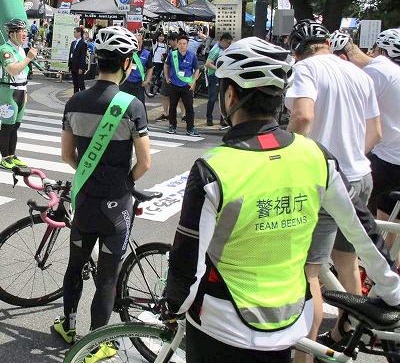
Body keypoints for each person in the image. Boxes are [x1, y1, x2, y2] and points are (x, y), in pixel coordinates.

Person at [164, 37, 400, 363]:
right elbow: (362, 229)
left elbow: (187, 262)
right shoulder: (317, 157)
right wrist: (391, 291)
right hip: (290, 321)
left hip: (222, 323)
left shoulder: (213, 168)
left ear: (230, 96)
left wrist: (174, 306)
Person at [285, 20, 381, 358]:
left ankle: (304, 355)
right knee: (346, 261)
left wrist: (287, 154)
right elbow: (376, 132)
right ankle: (348, 331)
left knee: (310, 273)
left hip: (323, 182)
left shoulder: (306, 69)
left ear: (298, 50)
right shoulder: (358, 72)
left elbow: (303, 116)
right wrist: (349, 157)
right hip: (360, 176)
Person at [54, 26, 152, 360]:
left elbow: (67, 155)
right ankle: (97, 344)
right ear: (126, 63)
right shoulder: (132, 105)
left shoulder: (74, 101)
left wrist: (89, 172)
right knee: (107, 278)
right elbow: (145, 163)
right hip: (116, 207)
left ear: (97, 61)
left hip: (85, 202)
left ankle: (68, 326)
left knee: (75, 266)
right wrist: (124, 183)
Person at [329, 30, 400, 225]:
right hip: (393, 156)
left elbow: (366, 128)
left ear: (342, 58)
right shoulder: (390, 70)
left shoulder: (374, 73)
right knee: (389, 226)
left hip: (388, 160)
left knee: (362, 221)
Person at [0, 18, 37, 170]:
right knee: (7, 126)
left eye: (25, 31)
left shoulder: (20, 49)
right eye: (21, 31)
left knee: (16, 126)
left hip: (21, 90)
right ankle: (4, 158)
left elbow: (23, 73)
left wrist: (25, 91)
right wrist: (29, 58)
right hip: (9, 90)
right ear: (12, 34)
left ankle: (12, 155)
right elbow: (13, 70)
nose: (24, 34)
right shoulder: (5, 50)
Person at [165, 34, 200, 136]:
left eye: (184, 44)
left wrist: (193, 81)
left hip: (186, 85)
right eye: (180, 43)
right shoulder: (172, 55)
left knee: (189, 108)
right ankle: (172, 125)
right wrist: (167, 78)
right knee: (172, 107)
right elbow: (166, 66)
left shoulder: (192, 55)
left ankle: (190, 128)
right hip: (174, 84)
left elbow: (197, 69)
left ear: (187, 44)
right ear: (177, 44)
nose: (182, 45)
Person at [204, 33, 233, 126]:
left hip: (222, 75)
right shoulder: (215, 50)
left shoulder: (225, 49)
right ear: (223, 41)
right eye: (228, 43)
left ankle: (223, 119)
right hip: (213, 75)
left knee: (223, 98)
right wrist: (218, 69)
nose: (229, 45)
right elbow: (208, 63)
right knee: (212, 98)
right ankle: (209, 118)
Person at [120, 30, 153, 109]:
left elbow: (150, 67)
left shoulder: (146, 54)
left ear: (142, 42)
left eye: (139, 42)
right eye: (135, 42)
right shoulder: (126, 52)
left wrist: (147, 80)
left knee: (140, 106)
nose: (137, 44)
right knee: (122, 105)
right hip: (125, 82)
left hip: (139, 83)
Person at [68, 27, 88, 93]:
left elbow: (83, 56)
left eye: (75, 32)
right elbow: (70, 54)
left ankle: (84, 96)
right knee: (75, 83)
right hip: (73, 65)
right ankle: (75, 96)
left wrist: (81, 68)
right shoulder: (73, 43)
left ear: (79, 33)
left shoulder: (83, 44)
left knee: (81, 83)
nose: (74, 33)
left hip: (79, 66)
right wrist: (69, 65)